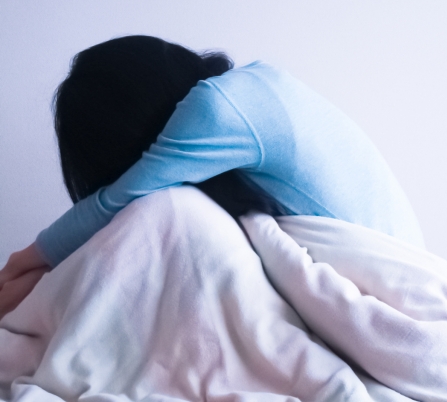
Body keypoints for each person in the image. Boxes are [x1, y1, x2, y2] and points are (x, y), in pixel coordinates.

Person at [0, 35, 424, 319]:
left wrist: (26, 260)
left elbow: (118, 199)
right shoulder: (254, 87)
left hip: (394, 297)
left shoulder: (218, 107)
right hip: (402, 283)